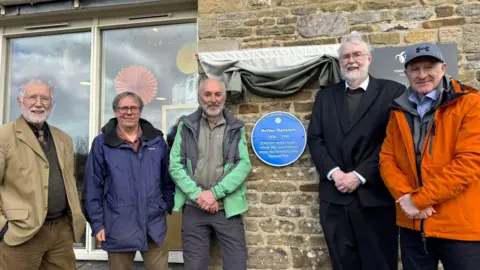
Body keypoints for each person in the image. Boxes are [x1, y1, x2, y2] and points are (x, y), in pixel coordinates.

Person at [307, 31, 405, 270]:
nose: (351, 60)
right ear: (340, 62)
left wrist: (359, 175)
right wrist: (335, 173)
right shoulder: (325, 96)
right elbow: (315, 139)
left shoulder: (392, 92)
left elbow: (393, 142)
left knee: (380, 263)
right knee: (342, 264)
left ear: (369, 58)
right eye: (345, 57)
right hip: (335, 199)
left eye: (357, 55)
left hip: (375, 197)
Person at [379, 42, 480, 270]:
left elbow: (469, 163)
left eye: (429, 67)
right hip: (413, 226)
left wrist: (419, 200)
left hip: (459, 226)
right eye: (415, 69)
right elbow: (387, 159)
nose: (422, 75)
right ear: (406, 74)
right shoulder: (398, 110)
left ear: (443, 68)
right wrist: (406, 197)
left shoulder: (470, 104)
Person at [0, 78, 86, 269]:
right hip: (21, 235)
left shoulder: (64, 139)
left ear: (52, 104)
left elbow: (69, 182)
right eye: (32, 97)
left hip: (61, 233)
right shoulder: (4, 137)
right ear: (20, 101)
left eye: (45, 98)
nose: (39, 103)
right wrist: (3, 227)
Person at [83, 91, 174, 270]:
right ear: (116, 112)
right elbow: (93, 187)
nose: (129, 112)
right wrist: (97, 223)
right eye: (123, 108)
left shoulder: (157, 141)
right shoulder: (102, 144)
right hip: (118, 225)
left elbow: (167, 179)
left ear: (140, 111)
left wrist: (166, 205)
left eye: (133, 108)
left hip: (153, 225)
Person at [169, 78, 251, 270]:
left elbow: (243, 165)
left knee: (236, 266)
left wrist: (214, 194)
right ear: (199, 98)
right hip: (194, 206)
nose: (213, 99)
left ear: (224, 97)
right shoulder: (186, 125)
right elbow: (175, 165)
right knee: (194, 266)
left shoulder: (236, 127)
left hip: (227, 209)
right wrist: (200, 196)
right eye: (207, 94)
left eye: (217, 94)